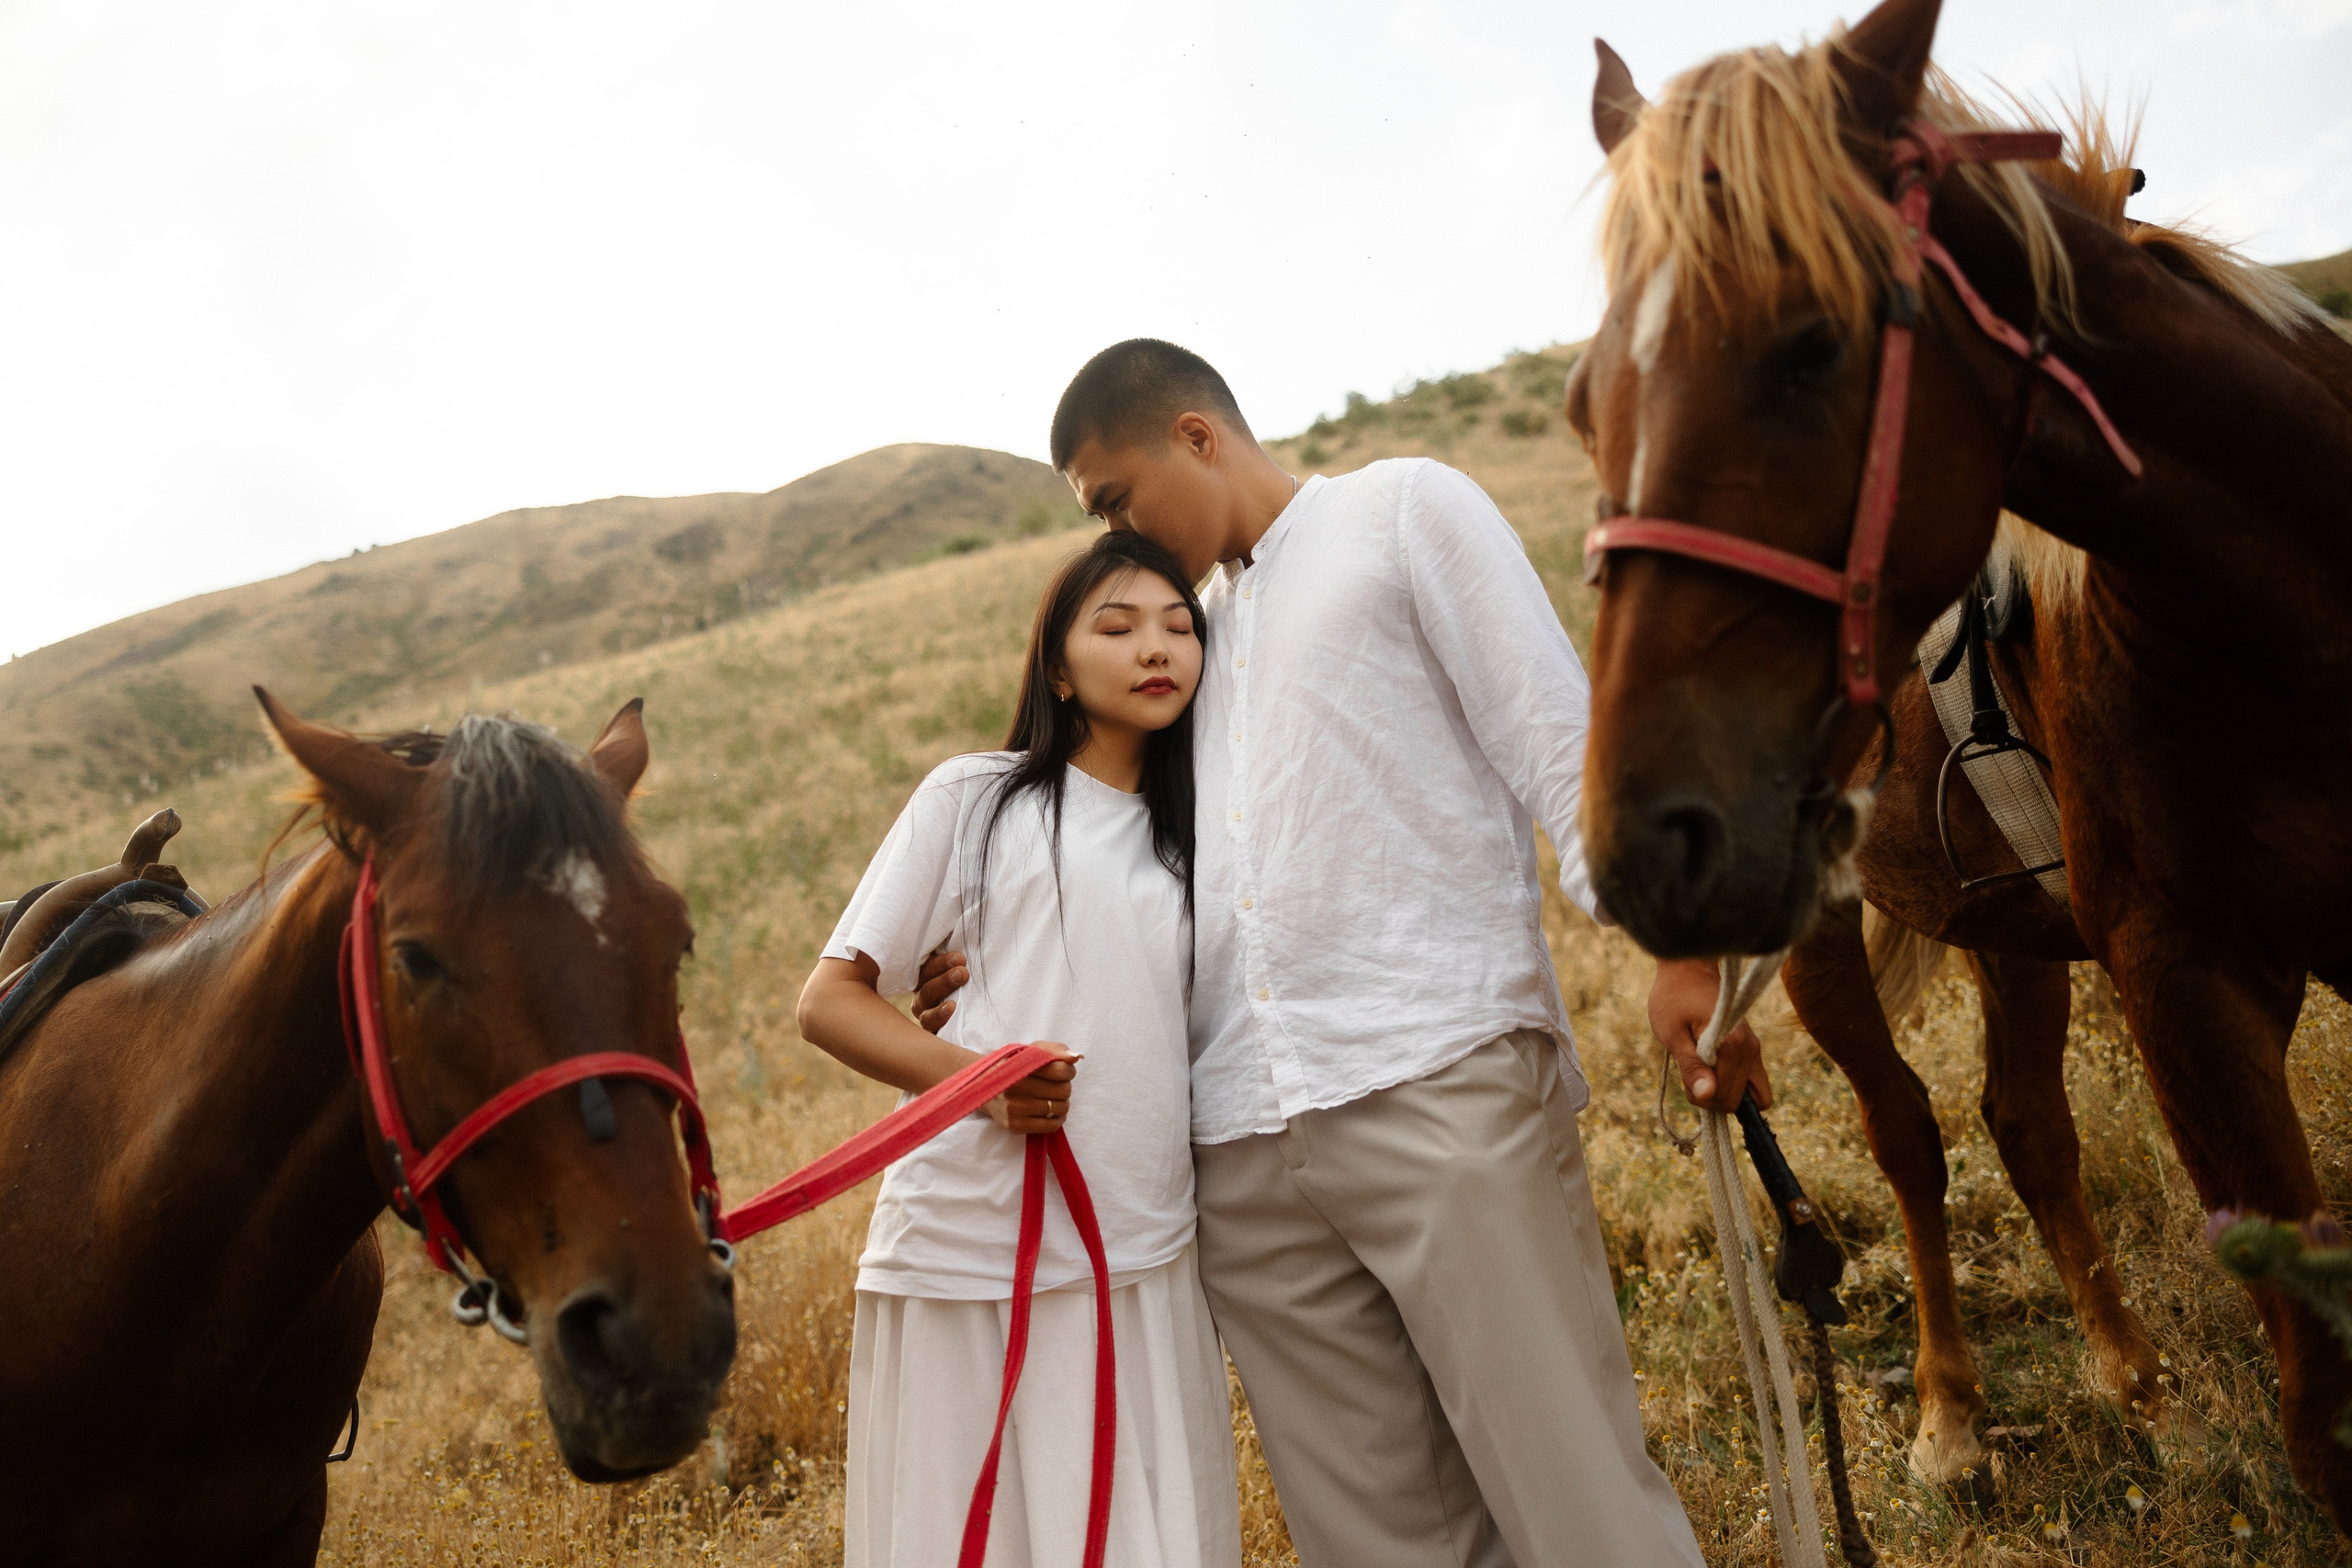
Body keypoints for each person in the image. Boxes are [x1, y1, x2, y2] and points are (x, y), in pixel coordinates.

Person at [1027, 337, 1748, 1566]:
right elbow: (1112, 858)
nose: (1112, 535)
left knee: (1576, 1500)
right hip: (1242, 1141)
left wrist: (1684, 950)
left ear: (1196, 436)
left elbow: (1556, 741)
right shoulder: (1179, 645)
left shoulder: (1404, 511)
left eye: (1114, 499)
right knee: (1375, 1542)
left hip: (1437, 1078)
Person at [797, 528, 1244, 1568]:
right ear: (1057, 667)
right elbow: (830, 1001)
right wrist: (982, 1085)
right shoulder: (977, 798)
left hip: (1144, 1243)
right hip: (972, 1244)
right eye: (1117, 626)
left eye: (1180, 626)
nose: (1157, 648)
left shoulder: (1209, 834)